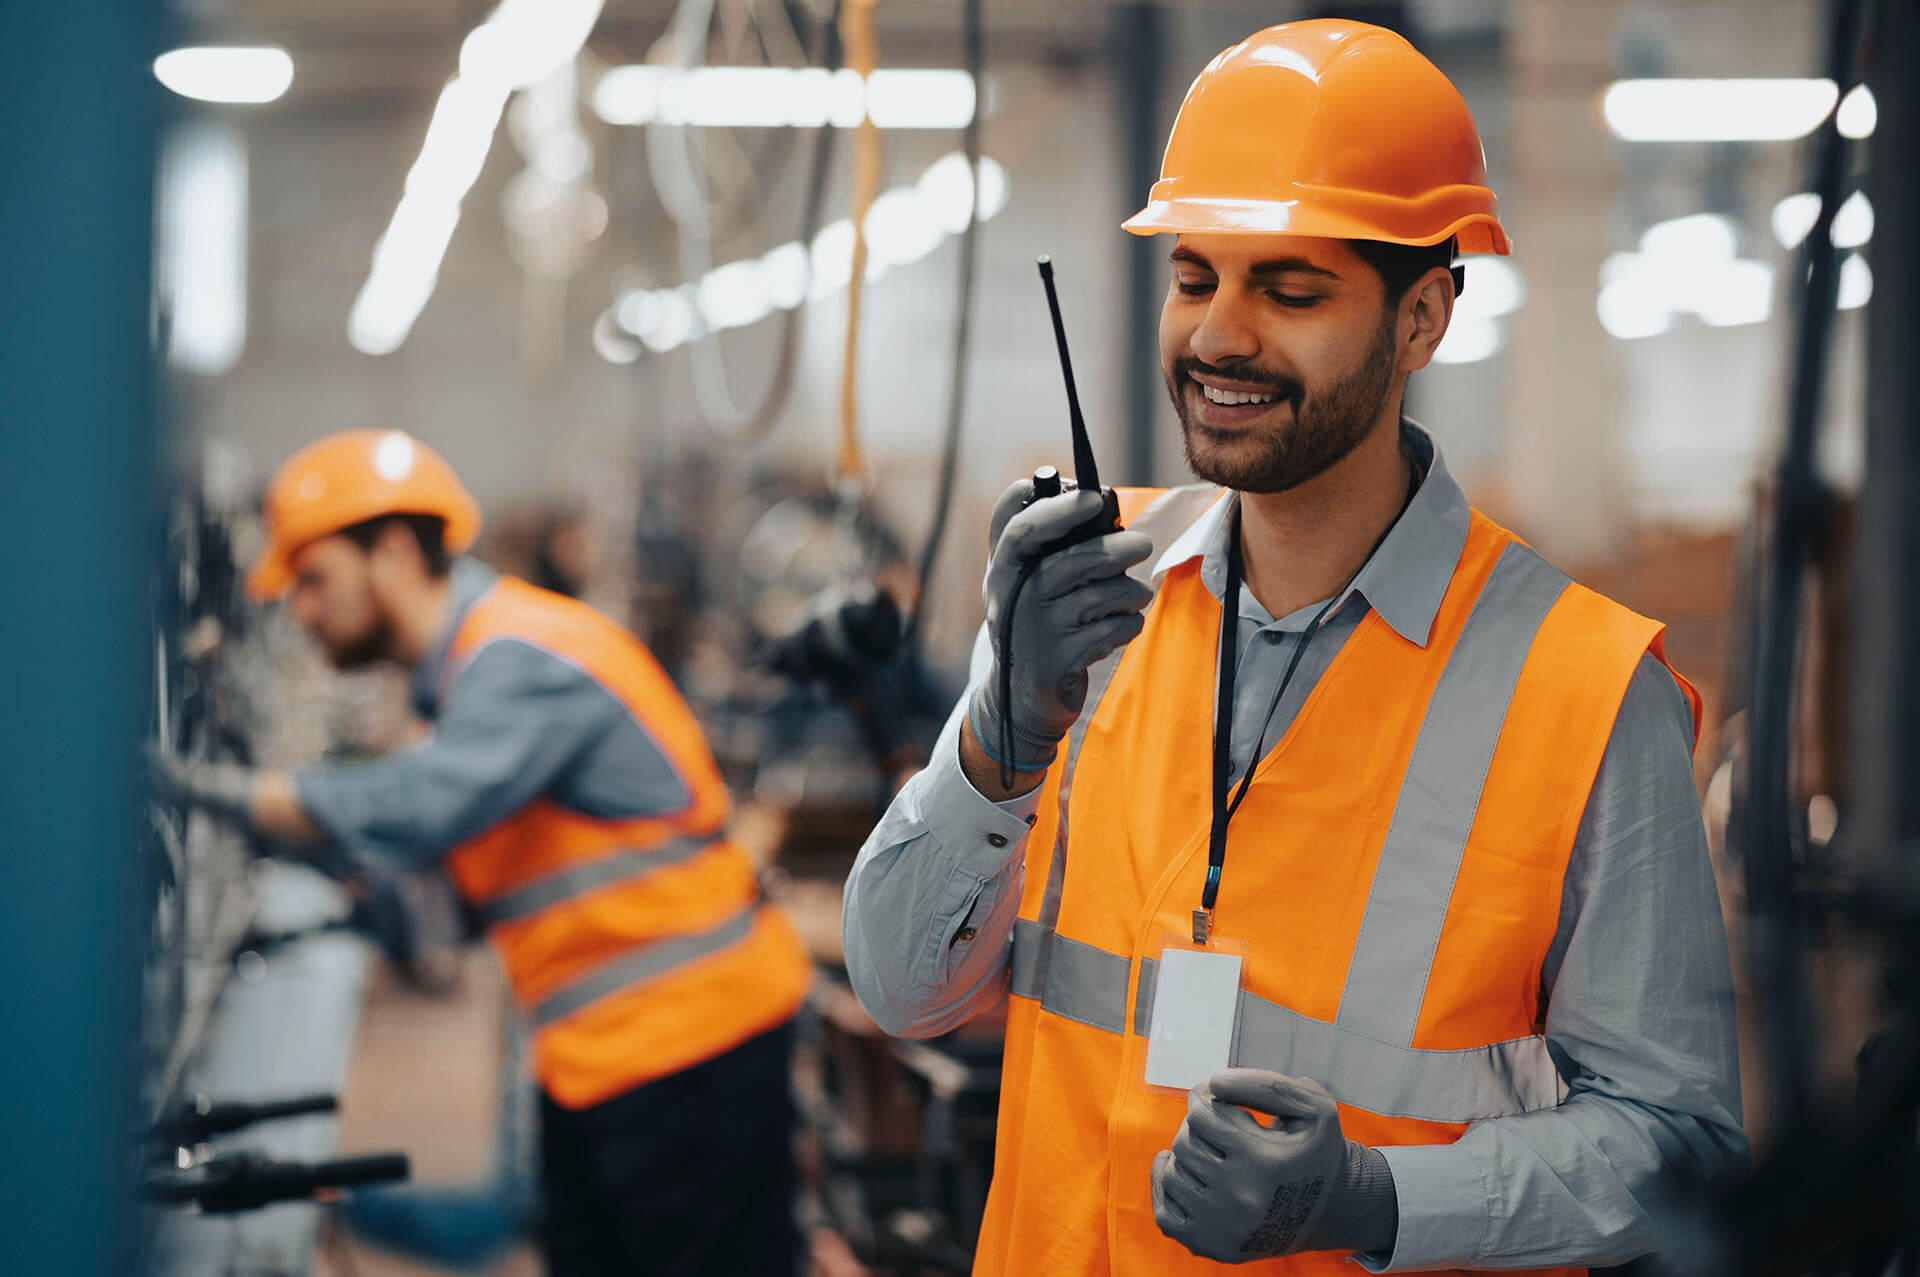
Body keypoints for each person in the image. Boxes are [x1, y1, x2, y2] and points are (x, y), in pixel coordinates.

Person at [842, 19, 1745, 1275]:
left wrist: (1381, 1197)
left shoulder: (1587, 693)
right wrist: (1002, 735)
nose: (1219, 335)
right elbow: (901, 986)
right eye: (1196, 274)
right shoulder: (1097, 604)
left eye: (1291, 287)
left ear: (1422, 316)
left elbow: (1679, 1147)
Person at [154, 428, 811, 1276]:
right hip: (603, 1055)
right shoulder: (468, 682)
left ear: (391, 551)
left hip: (692, 1053)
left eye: (313, 578)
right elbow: (459, 887)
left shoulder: (517, 654)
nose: (302, 612)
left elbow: (420, 805)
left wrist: (217, 793)